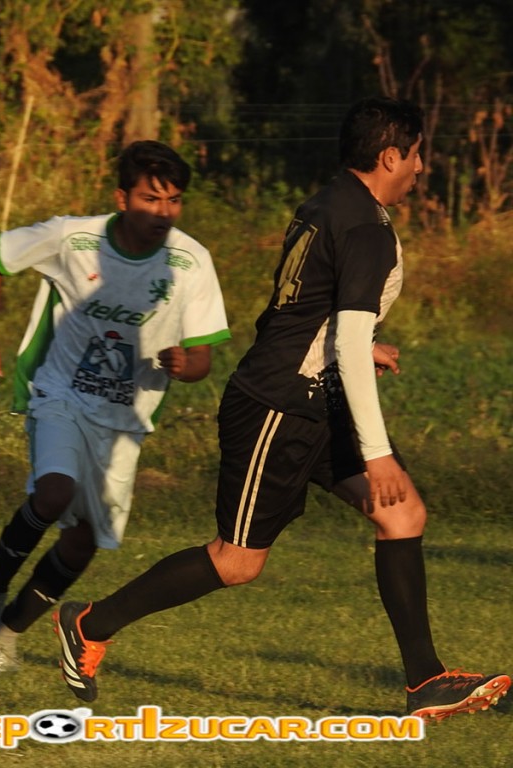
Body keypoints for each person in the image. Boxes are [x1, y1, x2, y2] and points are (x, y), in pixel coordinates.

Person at [52, 97, 511, 721]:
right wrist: (376, 450)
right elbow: (338, 332)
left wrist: (355, 348)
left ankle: (425, 681)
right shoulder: (364, 227)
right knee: (237, 562)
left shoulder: (328, 203)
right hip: (278, 407)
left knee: (402, 514)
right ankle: (89, 623)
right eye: (416, 155)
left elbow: (302, 312)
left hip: (317, 395)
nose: (420, 167)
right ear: (389, 156)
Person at [0, 140, 231, 672]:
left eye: (174, 200)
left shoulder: (191, 261)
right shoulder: (73, 237)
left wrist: (185, 364)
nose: (163, 212)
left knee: (81, 543)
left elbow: (203, 357)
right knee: (54, 493)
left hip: (126, 418)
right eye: (151, 198)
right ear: (122, 198)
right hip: (61, 393)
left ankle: (9, 630)